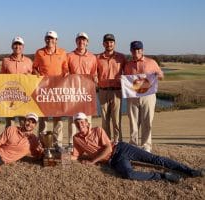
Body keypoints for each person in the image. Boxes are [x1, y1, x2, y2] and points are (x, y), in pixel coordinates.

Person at [71, 112, 204, 182]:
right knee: (128, 174)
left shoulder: (98, 130)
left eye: (82, 123)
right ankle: (164, 176)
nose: (80, 125)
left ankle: (190, 171)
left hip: (121, 148)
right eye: (77, 124)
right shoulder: (76, 139)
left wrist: (92, 161)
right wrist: (60, 157)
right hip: (114, 161)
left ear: (87, 123)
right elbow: (75, 155)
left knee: (155, 159)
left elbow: (108, 148)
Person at [124, 41, 164, 152]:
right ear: (131, 51)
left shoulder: (151, 62)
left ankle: (146, 145)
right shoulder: (128, 65)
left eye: (139, 50)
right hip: (133, 96)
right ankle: (133, 145)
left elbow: (161, 76)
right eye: (134, 50)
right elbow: (127, 81)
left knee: (147, 121)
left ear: (142, 50)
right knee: (133, 121)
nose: (136, 52)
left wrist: (160, 75)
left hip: (148, 96)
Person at [33, 30, 68, 148]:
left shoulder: (63, 52)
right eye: (48, 38)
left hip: (58, 89)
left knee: (58, 117)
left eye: (52, 38)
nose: (50, 40)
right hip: (44, 90)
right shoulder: (39, 52)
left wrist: (66, 74)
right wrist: (37, 73)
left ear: (56, 40)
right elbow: (34, 68)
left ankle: (57, 143)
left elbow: (65, 68)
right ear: (45, 39)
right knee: (43, 117)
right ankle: (43, 144)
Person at [67, 32, 97, 148]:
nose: (81, 42)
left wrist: (95, 78)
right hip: (73, 92)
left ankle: (87, 143)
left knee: (86, 119)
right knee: (72, 119)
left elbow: (94, 74)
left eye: (84, 40)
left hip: (87, 92)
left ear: (87, 42)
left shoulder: (92, 57)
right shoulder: (69, 56)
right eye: (79, 40)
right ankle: (71, 143)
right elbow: (66, 72)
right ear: (76, 41)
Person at [97, 34, 127, 143]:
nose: (109, 44)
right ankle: (107, 143)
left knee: (116, 120)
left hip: (117, 91)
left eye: (111, 42)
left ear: (114, 43)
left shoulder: (121, 57)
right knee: (105, 120)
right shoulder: (98, 58)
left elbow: (129, 72)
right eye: (107, 42)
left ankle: (118, 143)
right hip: (103, 91)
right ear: (103, 43)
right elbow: (94, 73)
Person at [0, 36, 33, 127]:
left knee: (24, 123)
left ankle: (23, 141)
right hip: (9, 96)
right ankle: (10, 140)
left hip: (24, 96)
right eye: (15, 44)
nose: (17, 47)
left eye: (20, 45)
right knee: (10, 123)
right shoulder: (5, 61)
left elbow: (33, 79)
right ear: (12, 46)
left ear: (23, 47)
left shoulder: (29, 61)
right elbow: (0, 78)